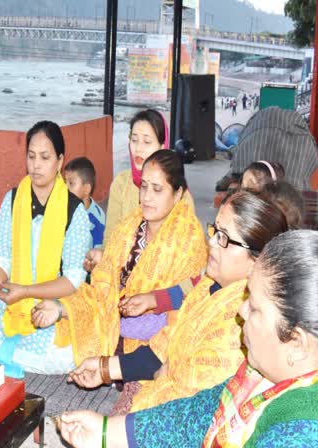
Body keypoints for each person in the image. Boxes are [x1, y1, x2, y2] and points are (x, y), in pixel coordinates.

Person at [57, 230, 318, 448]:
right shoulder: (256, 375)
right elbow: (194, 417)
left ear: (297, 343)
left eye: (256, 308)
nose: (241, 310)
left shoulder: (301, 434)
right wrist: (103, 432)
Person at [68, 191, 288, 413]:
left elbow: (190, 405)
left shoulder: (242, 322)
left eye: (224, 238)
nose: (211, 242)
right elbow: (165, 344)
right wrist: (104, 368)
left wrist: (162, 375)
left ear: (257, 260)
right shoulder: (209, 285)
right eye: (215, 230)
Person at [32, 150, 207, 367]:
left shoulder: (189, 237)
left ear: (178, 193)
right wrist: (63, 307)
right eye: (143, 187)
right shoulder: (129, 227)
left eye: (157, 189)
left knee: (59, 354)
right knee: (45, 339)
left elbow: (193, 298)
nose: (147, 197)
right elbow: (102, 289)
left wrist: (152, 299)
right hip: (111, 318)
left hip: (154, 336)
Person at [0, 121, 93, 375]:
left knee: (68, 356)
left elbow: (73, 281)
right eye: (31, 156)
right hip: (12, 303)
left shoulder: (75, 211)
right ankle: (9, 350)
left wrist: (27, 292)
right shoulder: (13, 200)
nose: (36, 165)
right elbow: (1, 260)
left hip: (52, 309)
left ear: (59, 161)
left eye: (45, 157)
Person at [88, 110, 195, 272]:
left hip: (162, 282)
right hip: (120, 278)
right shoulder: (121, 184)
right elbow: (111, 241)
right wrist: (101, 259)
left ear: (162, 145)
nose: (138, 148)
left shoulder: (180, 196)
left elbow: (187, 260)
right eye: (134, 140)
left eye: (146, 142)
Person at [64, 156, 106, 248]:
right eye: (65, 182)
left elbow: (97, 257)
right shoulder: (62, 207)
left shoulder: (97, 222)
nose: (65, 188)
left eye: (71, 183)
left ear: (86, 189)